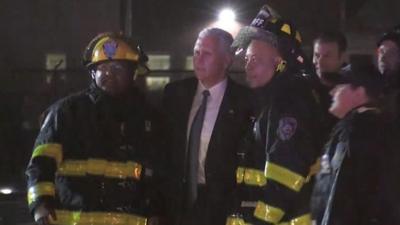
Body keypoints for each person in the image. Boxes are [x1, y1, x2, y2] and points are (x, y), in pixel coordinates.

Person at [25, 32, 164, 225]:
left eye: (117, 68)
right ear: (92, 73)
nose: (109, 74)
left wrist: (159, 211)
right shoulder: (66, 112)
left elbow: (160, 173)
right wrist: (41, 207)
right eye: (103, 68)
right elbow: (41, 164)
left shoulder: (150, 118)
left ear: (134, 73)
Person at [227, 5, 323, 225]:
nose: (247, 67)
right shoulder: (271, 100)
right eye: (247, 60)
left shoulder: (290, 101)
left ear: (280, 63)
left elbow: (285, 178)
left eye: (255, 59)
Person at [162, 28, 252, 225]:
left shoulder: (245, 102)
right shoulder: (174, 94)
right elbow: (162, 149)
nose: (198, 59)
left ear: (227, 60)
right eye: (196, 52)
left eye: (207, 54)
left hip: (221, 206)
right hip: (175, 203)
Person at [311, 63, 386, 225]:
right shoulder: (376, 128)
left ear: (359, 92)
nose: (332, 92)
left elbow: (340, 196)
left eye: (339, 87)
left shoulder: (355, 132)